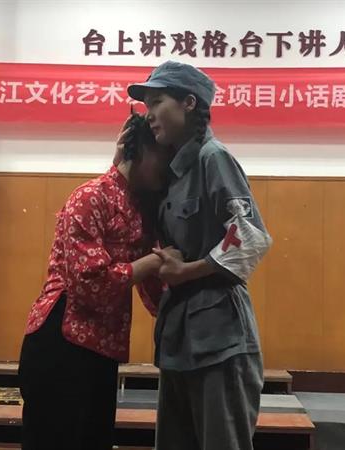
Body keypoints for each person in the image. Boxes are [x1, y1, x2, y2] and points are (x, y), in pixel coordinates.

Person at [127, 61, 273, 450]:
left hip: (219, 337)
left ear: (189, 103)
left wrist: (188, 270)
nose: (149, 114)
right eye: (146, 105)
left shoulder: (213, 157)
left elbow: (250, 237)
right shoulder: (172, 171)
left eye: (157, 102)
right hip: (179, 338)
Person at [18, 114, 174, 450]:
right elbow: (88, 283)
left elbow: (153, 291)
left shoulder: (141, 209)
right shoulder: (89, 196)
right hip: (61, 339)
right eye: (164, 156)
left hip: (102, 348)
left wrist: (181, 311)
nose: (168, 168)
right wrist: (151, 262)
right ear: (141, 150)